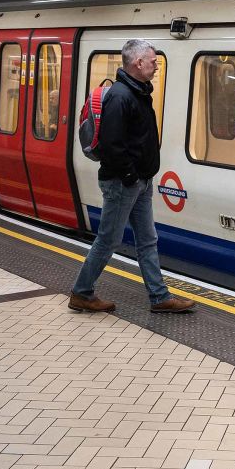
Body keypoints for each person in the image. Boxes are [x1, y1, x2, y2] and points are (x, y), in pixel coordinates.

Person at [69, 39, 193, 314]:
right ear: (138, 63)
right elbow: (114, 145)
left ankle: (159, 297)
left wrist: (140, 177)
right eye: (153, 61)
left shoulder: (136, 93)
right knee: (108, 240)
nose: (157, 66)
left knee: (148, 240)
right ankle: (81, 292)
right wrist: (130, 176)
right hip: (123, 183)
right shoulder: (122, 96)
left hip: (140, 182)